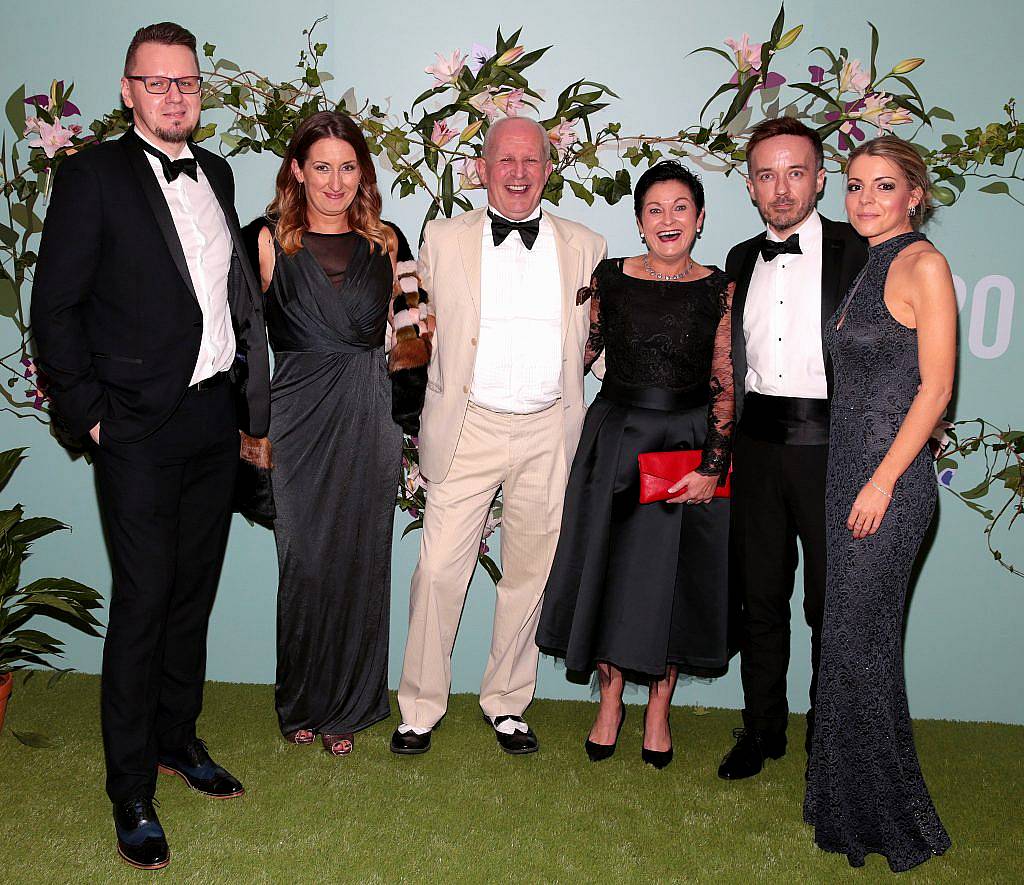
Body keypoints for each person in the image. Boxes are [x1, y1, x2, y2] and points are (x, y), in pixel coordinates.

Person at [30, 22, 270, 871]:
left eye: (188, 82)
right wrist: (91, 417)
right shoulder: (90, 175)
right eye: (157, 81)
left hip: (211, 419)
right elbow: (53, 309)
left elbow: (227, 292)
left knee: (191, 595)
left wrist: (248, 403)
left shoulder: (219, 172)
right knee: (142, 602)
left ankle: (177, 739)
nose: (176, 95)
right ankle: (129, 787)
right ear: (128, 90)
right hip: (134, 427)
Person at [390, 117, 606, 756]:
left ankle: (507, 702)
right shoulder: (440, 238)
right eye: (504, 160)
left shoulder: (586, 245)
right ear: (481, 169)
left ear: (548, 167)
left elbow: (597, 347)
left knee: (530, 573)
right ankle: (420, 707)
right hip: (469, 426)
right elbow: (414, 335)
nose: (518, 172)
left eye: (530, 160)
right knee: (437, 570)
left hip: (548, 429)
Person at [536, 162, 734, 768]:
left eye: (681, 208)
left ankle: (658, 709)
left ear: (700, 220)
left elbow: (725, 379)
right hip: (616, 439)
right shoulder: (611, 278)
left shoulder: (719, 287)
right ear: (639, 221)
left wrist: (715, 461)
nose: (668, 220)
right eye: (655, 209)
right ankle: (611, 699)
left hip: (687, 440)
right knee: (609, 569)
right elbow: (581, 355)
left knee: (670, 580)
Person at [804, 136, 954, 871]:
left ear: (913, 194)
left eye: (884, 185)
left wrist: (885, 479)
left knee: (861, 648)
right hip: (851, 477)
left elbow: (935, 388)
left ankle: (893, 821)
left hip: (884, 486)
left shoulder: (923, 264)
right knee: (851, 646)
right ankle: (846, 809)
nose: (865, 199)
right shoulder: (873, 264)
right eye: (857, 185)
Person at [252, 111, 412, 757]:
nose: (335, 180)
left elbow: (412, 343)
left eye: (349, 167)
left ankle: (348, 706)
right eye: (322, 165)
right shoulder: (266, 240)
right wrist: (250, 434)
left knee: (361, 560)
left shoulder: (390, 241)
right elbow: (241, 344)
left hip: (368, 414)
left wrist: (413, 426)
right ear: (298, 170)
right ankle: (301, 699)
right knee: (306, 564)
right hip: (295, 419)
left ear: (363, 174)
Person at [718, 117, 867, 780]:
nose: (782, 188)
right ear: (751, 186)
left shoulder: (859, 250)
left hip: (834, 447)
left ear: (821, 179)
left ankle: (829, 739)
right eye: (768, 174)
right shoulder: (741, 257)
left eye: (796, 172)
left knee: (831, 604)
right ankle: (761, 730)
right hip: (756, 446)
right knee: (761, 597)